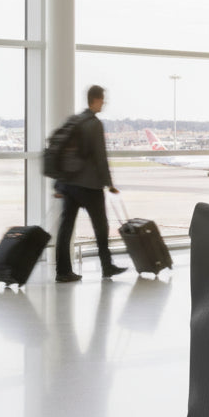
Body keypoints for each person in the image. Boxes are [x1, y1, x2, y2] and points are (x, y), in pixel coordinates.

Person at [54, 85, 128, 282]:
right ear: (96, 100)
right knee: (101, 226)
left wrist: (59, 184)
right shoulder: (94, 124)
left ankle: (63, 271)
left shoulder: (75, 120)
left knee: (66, 228)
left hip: (69, 184)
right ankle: (107, 266)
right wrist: (109, 183)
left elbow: (63, 152)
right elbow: (100, 157)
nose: (104, 103)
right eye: (103, 99)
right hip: (89, 185)